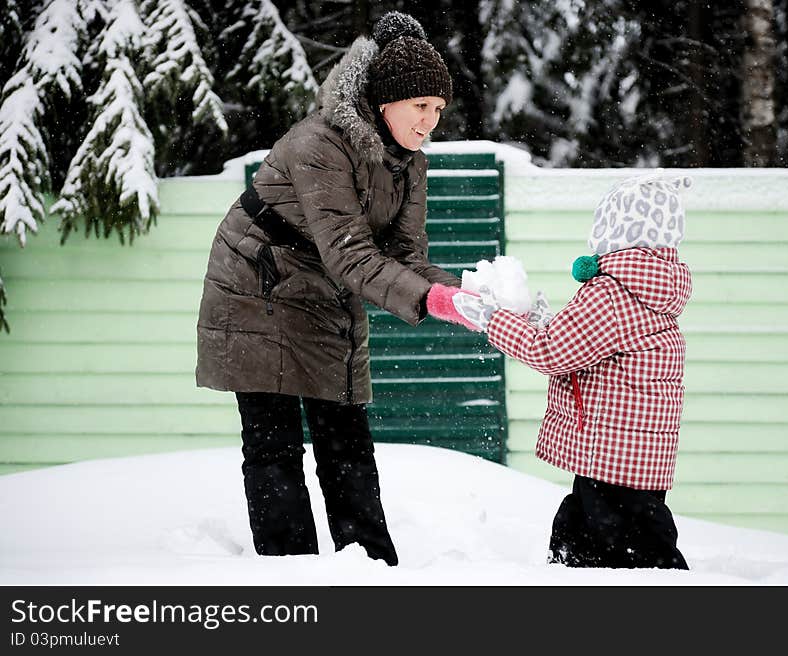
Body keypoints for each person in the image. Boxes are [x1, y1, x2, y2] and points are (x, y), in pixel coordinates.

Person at [195, 11, 466, 566]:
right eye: (420, 107)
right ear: (386, 102)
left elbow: (405, 257)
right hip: (256, 282)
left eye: (438, 109)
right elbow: (350, 252)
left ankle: (369, 567)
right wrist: (428, 298)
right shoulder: (319, 144)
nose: (429, 122)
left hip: (325, 284)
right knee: (275, 442)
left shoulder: (410, 163)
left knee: (346, 433)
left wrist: (465, 295)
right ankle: (292, 574)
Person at [435, 174, 693, 569]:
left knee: (629, 553)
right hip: (635, 458)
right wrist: (539, 320)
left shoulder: (612, 292)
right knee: (598, 534)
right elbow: (584, 343)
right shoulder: (651, 289)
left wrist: (493, 320)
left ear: (615, 229)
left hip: (612, 456)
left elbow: (553, 351)